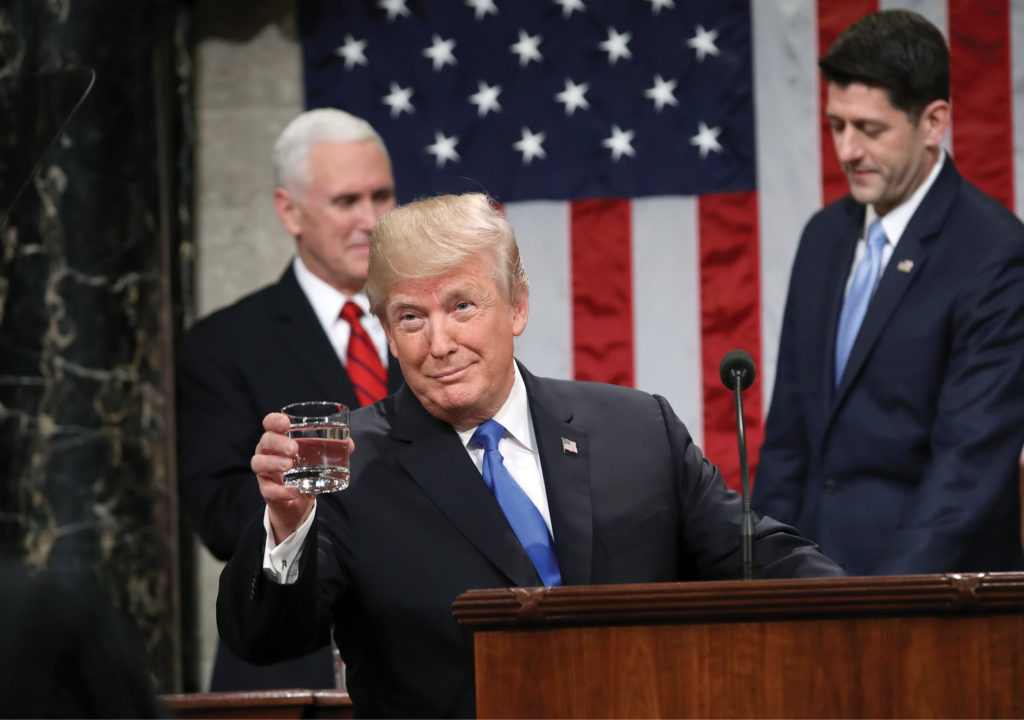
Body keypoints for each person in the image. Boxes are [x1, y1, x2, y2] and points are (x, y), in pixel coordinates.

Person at [216, 192, 844, 718]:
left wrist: (884, 616)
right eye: (411, 317)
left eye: (462, 305)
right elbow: (264, 639)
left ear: (516, 305)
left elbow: (765, 561)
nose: (440, 343)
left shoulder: (635, 429)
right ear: (386, 329)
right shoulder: (350, 464)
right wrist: (288, 527)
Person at [753, 10, 1024, 576]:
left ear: (933, 123)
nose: (847, 150)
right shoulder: (822, 237)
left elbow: (968, 466)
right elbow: (789, 441)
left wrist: (886, 604)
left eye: (869, 130)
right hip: (809, 591)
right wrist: (763, 578)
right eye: (836, 126)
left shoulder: (995, 252)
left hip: (927, 597)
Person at [178, 108, 405, 690]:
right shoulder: (223, 344)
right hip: (294, 660)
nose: (372, 220)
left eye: (383, 196)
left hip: (424, 660)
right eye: (346, 201)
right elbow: (222, 515)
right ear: (289, 210)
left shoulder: (436, 332)